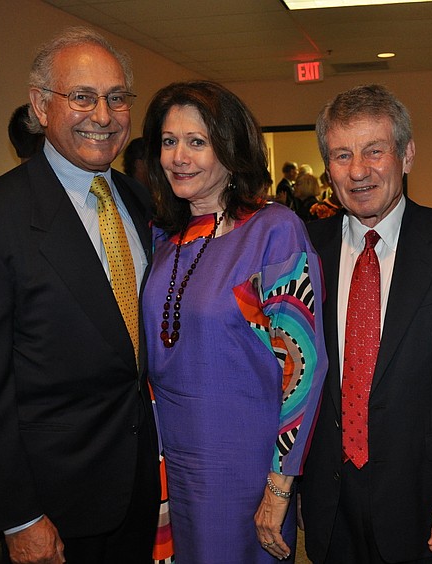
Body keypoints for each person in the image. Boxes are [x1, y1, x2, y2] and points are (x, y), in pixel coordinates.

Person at [0, 27, 160, 564]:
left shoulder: (135, 196)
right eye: (82, 97)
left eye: (116, 98)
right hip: (55, 503)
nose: (103, 116)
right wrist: (19, 516)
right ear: (40, 107)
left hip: (142, 480)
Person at [299, 84, 432, 564]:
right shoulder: (303, 247)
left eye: (374, 151)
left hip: (426, 502)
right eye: (342, 155)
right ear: (328, 166)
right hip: (330, 500)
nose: (359, 171)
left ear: (406, 155)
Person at [140, 80, 328, 563]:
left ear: (230, 151)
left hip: (243, 467)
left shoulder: (272, 232)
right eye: (168, 141)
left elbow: (303, 367)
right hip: (169, 459)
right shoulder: (162, 238)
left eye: (197, 142)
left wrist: (280, 485)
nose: (178, 156)